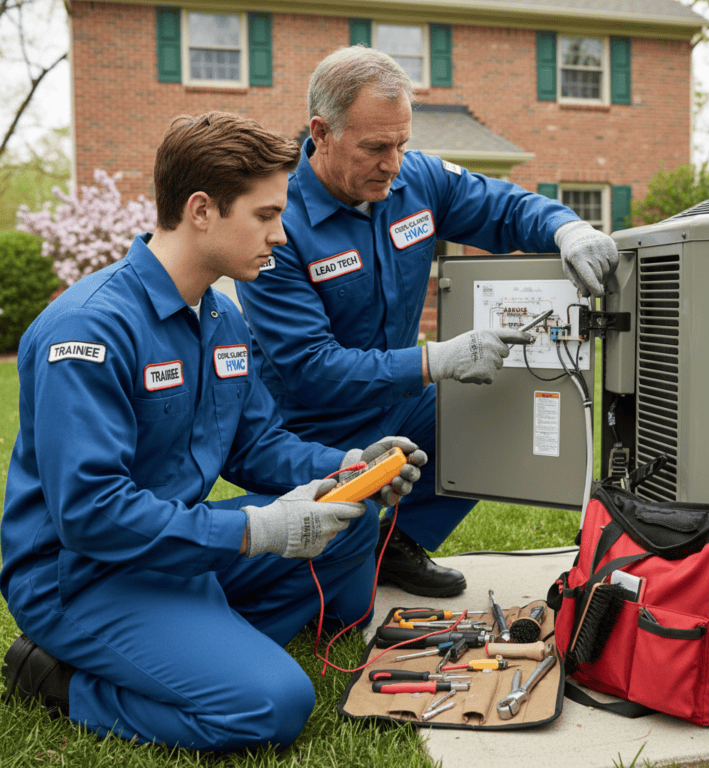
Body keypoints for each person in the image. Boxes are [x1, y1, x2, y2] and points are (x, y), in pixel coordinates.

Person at [0, 111, 426, 752]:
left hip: (174, 554)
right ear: (201, 210)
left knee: (349, 523)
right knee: (273, 704)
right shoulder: (87, 331)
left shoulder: (221, 316)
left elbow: (256, 445)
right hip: (84, 576)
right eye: (265, 216)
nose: (282, 236)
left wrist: (348, 467)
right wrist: (255, 532)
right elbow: (90, 514)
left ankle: (200, 638)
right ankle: (58, 679)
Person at [235, 45, 620, 599]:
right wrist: (437, 360)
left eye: (401, 144)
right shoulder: (278, 221)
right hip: (307, 426)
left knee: (492, 403)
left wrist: (567, 230)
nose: (392, 163)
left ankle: (396, 540)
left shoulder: (415, 182)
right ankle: (354, 540)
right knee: (339, 596)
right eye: (374, 148)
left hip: (395, 397)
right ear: (321, 131)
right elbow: (309, 368)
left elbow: (503, 209)